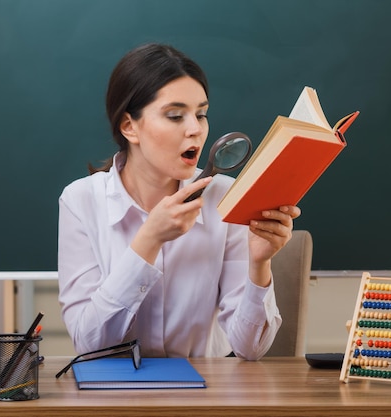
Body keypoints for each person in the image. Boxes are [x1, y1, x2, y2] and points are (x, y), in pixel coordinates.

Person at [57, 43, 300, 360]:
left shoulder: (225, 197)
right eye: (175, 116)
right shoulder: (81, 201)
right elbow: (90, 345)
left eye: (201, 114)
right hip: (112, 400)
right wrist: (149, 239)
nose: (195, 129)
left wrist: (259, 264)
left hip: (202, 397)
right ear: (130, 126)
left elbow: (250, 349)